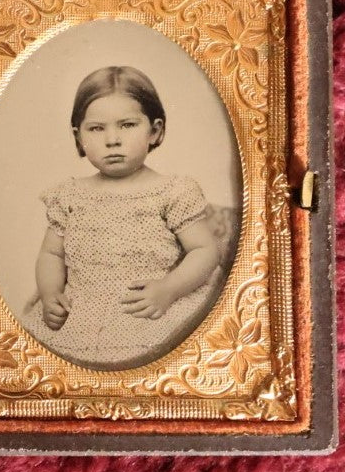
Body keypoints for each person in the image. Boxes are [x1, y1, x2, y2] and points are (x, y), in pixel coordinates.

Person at [29, 66, 221, 370]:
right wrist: (51, 292)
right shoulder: (69, 196)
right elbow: (51, 253)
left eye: (128, 125)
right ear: (79, 137)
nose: (113, 140)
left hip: (147, 310)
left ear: (154, 131)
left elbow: (205, 250)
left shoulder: (171, 191)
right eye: (96, 129)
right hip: (81, 314)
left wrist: (169, 290)